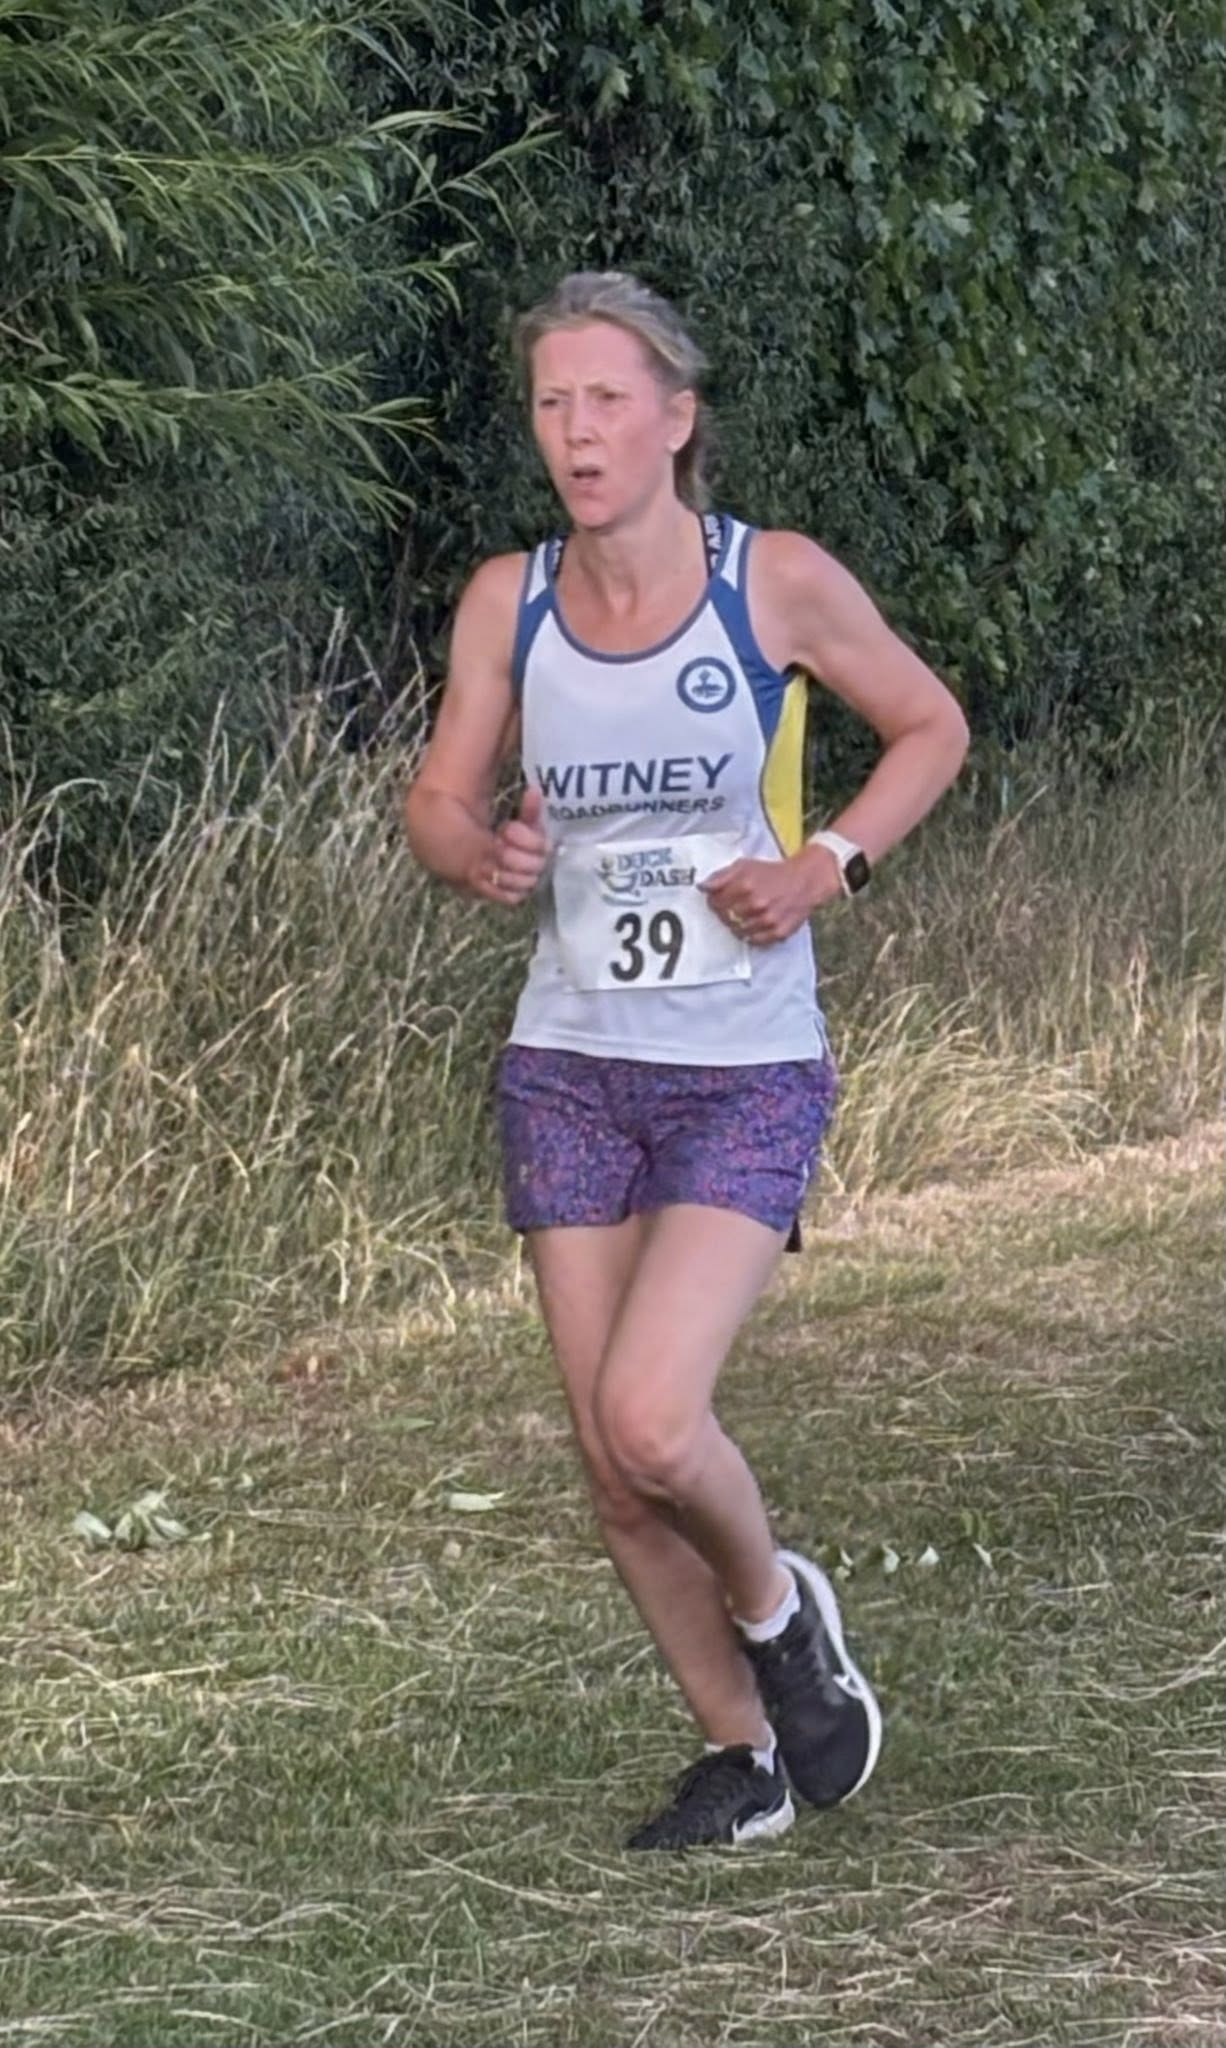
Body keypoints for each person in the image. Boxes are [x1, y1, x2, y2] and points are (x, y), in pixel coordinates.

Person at [403, 271, 969, 1851]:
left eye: (604, 400)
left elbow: (928, 726)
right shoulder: (507, 600)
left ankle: (780, 1616)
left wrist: (822, 868)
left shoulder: (767, 581)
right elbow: (437, 799)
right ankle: (743, 1757)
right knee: (609, 1465)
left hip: (742, 1064)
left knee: (655, 1419)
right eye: (550, 405)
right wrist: (478, 854)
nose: (575, 432)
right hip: (568, 1061)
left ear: (673, 418)